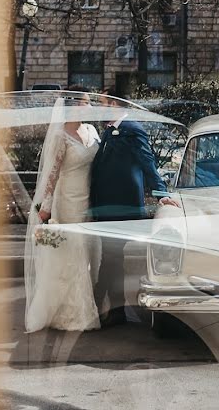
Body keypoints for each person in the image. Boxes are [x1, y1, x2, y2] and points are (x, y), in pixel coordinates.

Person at [24, 86, 102, 332]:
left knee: (88, 253)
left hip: (89, 199)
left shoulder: (91, 130)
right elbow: (52, 175)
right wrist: (44, 209)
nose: (90, 107)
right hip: (67, 201)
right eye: (86, 102)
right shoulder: (60, 135)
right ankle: (71, 313)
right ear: (73, 105)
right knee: (71, 254)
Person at [89, 90, 168, 327]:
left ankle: (102, 306)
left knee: (111, 258)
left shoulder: (132, 129)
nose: (98, 109)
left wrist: (161, 193)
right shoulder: (109, 130)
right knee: (112, 259)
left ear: (113, 104)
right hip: (106, 205)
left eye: (102, 104)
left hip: (123, 205)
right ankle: (114, 309)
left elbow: (147, 162)